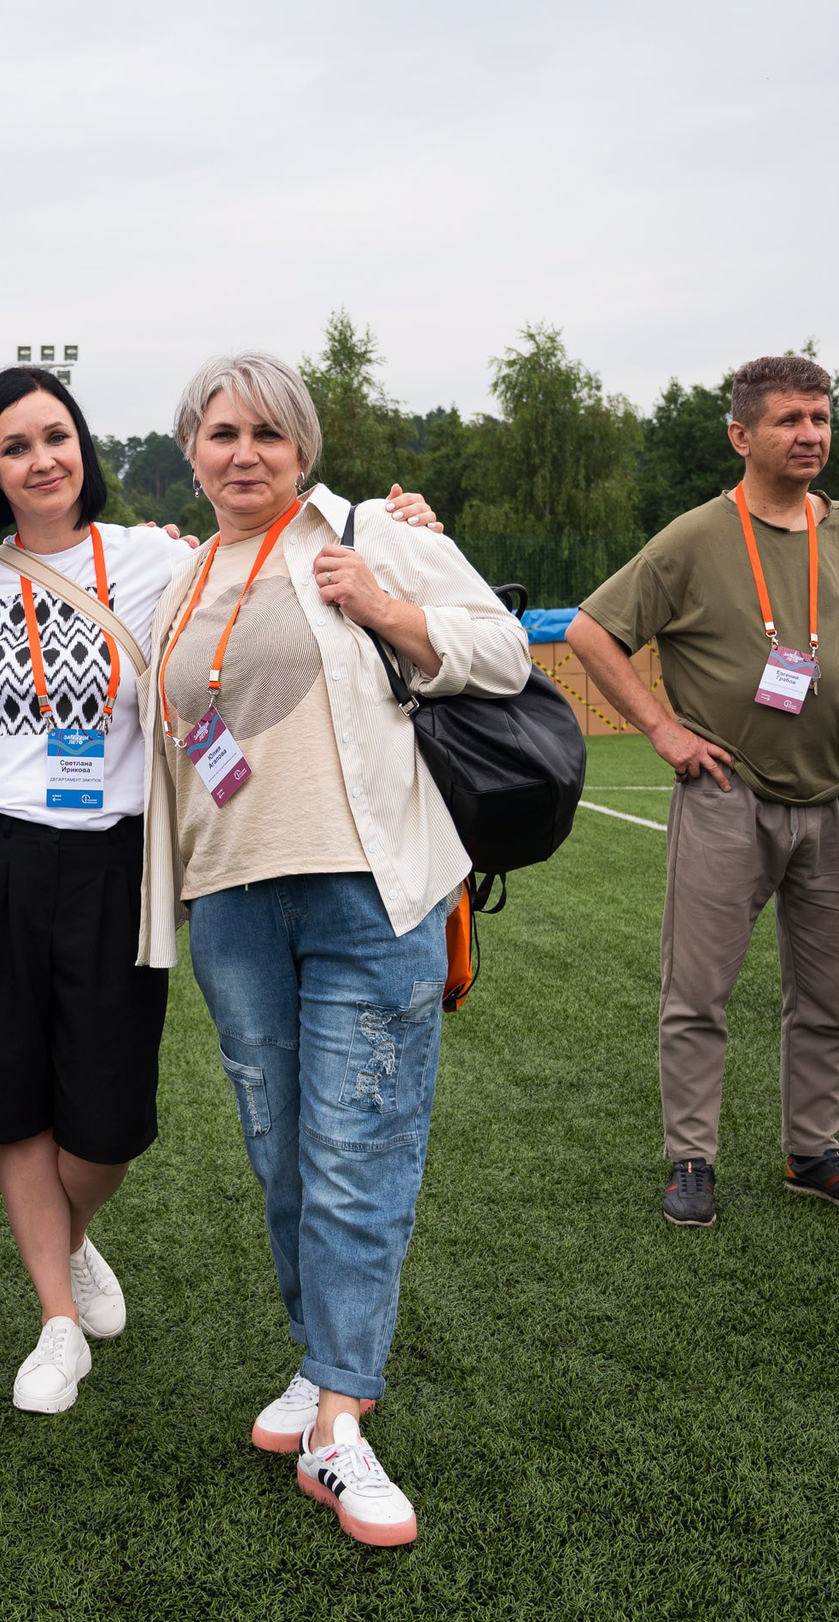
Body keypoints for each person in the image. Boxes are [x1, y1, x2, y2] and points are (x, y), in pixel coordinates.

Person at [0, 365, 448, 1416]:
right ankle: (57, 1320)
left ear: (84, 447)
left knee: (107, 1122)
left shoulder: (158, 559)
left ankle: (70, 1237)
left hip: (117, 858)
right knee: (13, 1100)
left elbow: (255, 561)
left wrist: (405, 528)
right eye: (14, 447)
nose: (41, 460)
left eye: (55, 437)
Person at [138, 350, 529, 1548]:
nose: (243, 451)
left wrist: (386, 606)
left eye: (267, 432)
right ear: (191, 452)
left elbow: (504, 650)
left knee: (360, 1151)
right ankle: (322, 1362)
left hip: (368, 895)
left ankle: (341, 1420)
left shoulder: (369, 533)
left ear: (302, 448)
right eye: (221, 432)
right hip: (234, 902)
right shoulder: (179, 575)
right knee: (284, 1156)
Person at [568, 354, 839, 1229]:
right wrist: (664, 730)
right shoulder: (695, 536)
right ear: (741, 435)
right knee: (698, 994)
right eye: (789, 420)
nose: (810, 435)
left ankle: (814, 1151)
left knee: (829, 1000)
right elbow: (590, 630)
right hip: (728, 793)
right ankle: (692, 1158)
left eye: (820, 418)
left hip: (837, 798)